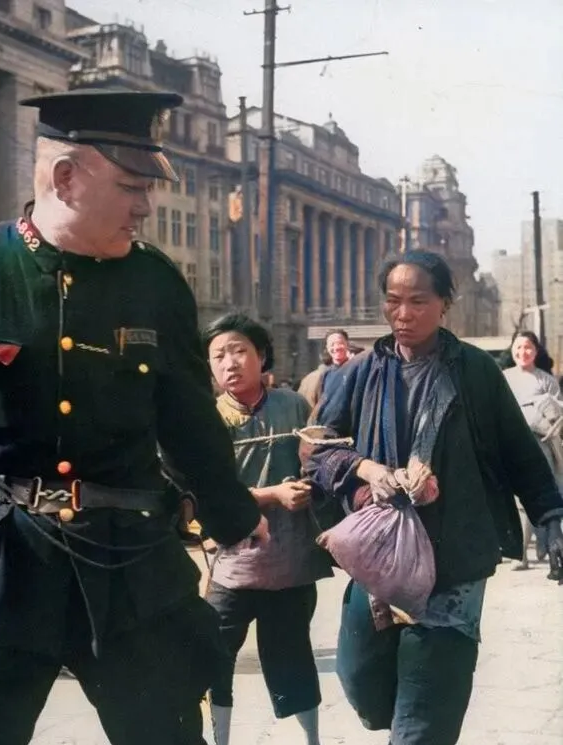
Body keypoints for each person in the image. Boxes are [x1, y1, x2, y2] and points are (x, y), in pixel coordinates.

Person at [0, 88, 268, 745]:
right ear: (65, 178)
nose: (145, 206)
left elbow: (188, 422)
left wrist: (233, 515)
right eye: (131, 187)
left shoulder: (156, 283)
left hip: (129, 567)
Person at [304, 250, 563, 745]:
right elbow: (318, 446)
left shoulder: (475, 371)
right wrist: (366, 470)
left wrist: (550, 514)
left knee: (426, 709)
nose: (403, 314)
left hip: (453, 555)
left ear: (445, 303)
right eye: (393, 301)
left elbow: (519, 451)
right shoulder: (360, 371)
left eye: (418, 301)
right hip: (380, 555)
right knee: (360, 681)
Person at [203, 313, 332, 745]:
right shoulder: (206, 419)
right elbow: (207, 490)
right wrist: (273, 494)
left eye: (239, 351)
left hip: (290, 564)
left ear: (261, 356)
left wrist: (310, 485)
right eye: (218, 356)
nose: (230, 363)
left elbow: (319, 463)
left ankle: (310, 739)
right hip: (232, 565)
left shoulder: (293, 406)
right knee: (212, 656)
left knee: (292, 658)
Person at [504, 331, 563, 575]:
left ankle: (542, 546)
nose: (523, 352)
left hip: (541, 446)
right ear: (512, 350)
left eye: (528, 347)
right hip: (510, 445)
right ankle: (521, 553)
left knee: (539, 495)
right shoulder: (503, 378)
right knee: (516, 501)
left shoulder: (546, 380)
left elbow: (558, 417)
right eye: (518, 347)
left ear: (536, 351)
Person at [297, 330, 351, 409]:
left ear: (347, 345)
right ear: (327, 348)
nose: (336, 347)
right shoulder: (321, 376)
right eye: (332, 344)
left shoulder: (356, 370)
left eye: (340, 343)